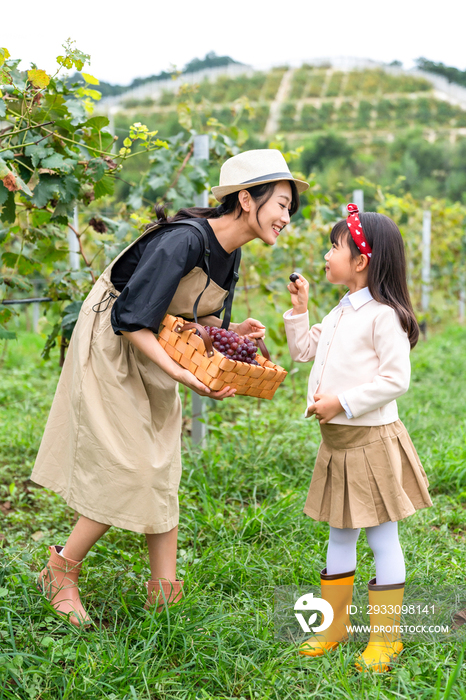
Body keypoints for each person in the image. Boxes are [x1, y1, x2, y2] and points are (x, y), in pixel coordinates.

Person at [31, 149, 309, 627]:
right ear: (246, 199)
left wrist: (232, 331)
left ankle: (164, 592)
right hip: (115, 344)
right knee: (135, 464)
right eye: (281, 204)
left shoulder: (231, 253)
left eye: (289, 207)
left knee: (163, 462)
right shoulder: (183, 241)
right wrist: (184, 376)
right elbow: (131, 318)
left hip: (162, 343)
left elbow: (198, 320)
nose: (287, 217)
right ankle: (60, 569)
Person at [284, 203, 432, 672]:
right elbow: (306, 351)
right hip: (338, 446)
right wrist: (300, 311)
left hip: (369, 442)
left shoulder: (382, 316)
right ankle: (335, 626)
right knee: (340, 534)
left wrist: (340, 403)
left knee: (382, 538)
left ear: (362, 260)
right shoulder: (342, 309)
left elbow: (395, 380)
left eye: (334, 246)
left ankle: (387, 640)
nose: (326, 255)